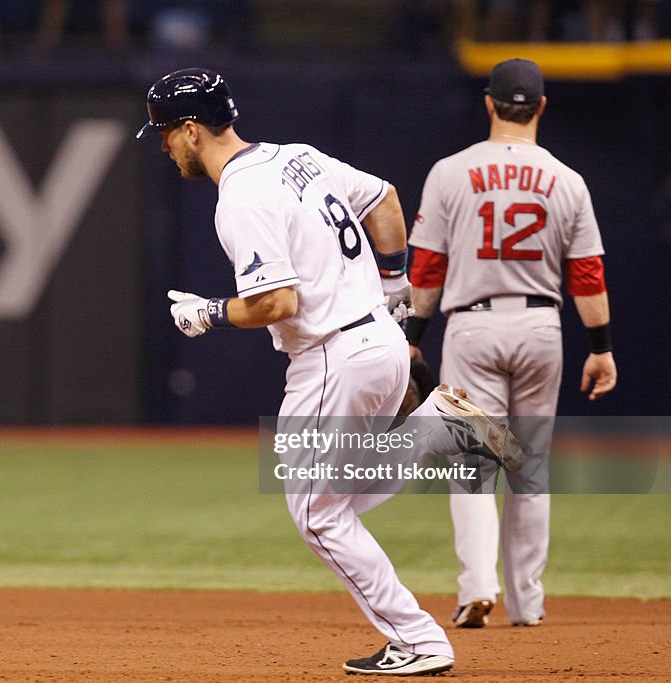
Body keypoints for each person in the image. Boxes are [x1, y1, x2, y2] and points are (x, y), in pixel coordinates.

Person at [137, 67, 525, 676]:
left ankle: (420, 641)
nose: (162, 144)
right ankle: (442, 427)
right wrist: (396, 283)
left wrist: (208, 314)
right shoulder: (298, 156)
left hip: (331, 358)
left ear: (192, 130)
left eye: (164, 132)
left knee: (317, 514)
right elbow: (387, 199)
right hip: (380, 342)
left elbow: (277, 304)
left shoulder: (240, 197)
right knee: (333, 502)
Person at [406, 57, 616, 629]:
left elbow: (426, 268)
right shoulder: (567, 179)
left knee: (472, 463)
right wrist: (601, 347)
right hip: (540, 327)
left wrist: (413, 337)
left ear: (489, 104)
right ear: (541, 107)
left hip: (473, 325)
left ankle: (477, 586)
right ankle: (529, 603)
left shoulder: (450, 171)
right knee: (531, 470)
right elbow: (588, 275)